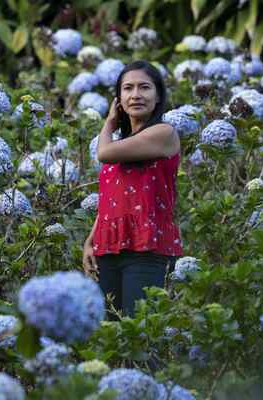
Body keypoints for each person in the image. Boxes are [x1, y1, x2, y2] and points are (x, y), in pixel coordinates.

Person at [82, 60, 183, 319]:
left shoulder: (164, 133)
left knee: (140, 336)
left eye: (144, 87)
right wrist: (91, 241)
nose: (136, 95)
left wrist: (109, 123)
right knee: (108, 334)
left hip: (147, 249)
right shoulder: (124, 144)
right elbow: (111, 199)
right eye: (128, 88)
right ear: (119, 98)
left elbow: (103, 152)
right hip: (109, 247)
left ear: (158, 95)